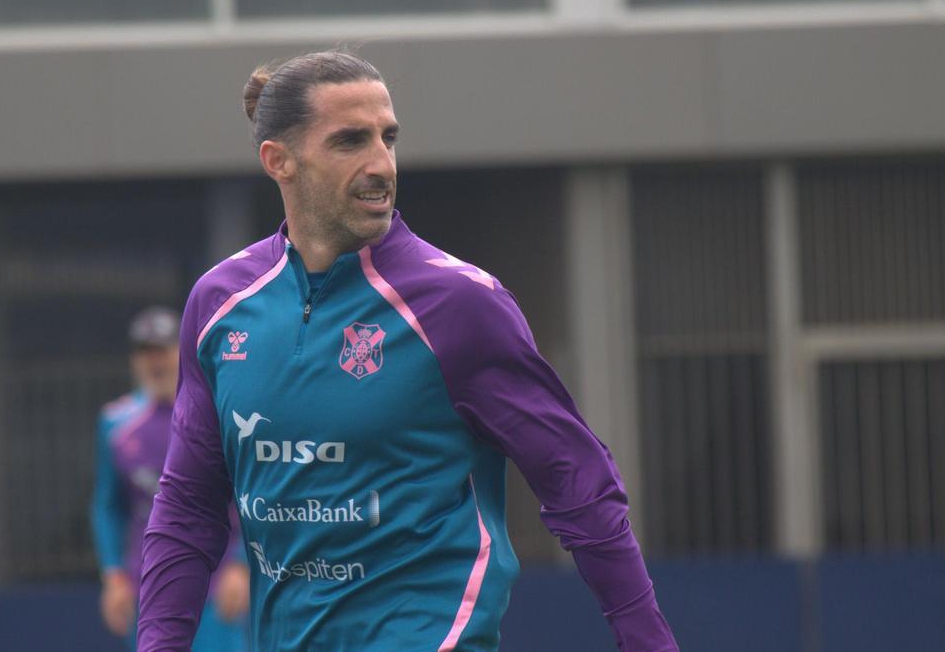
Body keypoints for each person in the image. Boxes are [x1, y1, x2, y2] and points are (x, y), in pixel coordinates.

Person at [139, 51, 679, 651]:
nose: (381, 164)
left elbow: (576, 478)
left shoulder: (460, 305)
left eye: (387, 138)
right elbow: (188, 506)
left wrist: (649, 640)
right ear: (279, 161)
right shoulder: (219, 305)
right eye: (350, 141)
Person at [92, 306, 249, 651]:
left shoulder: (215, 413)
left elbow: (248, 492)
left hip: (215, 584)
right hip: (147, 586)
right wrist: (114, 575)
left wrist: (241, 565)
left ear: (181, 352)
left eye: (162, 350)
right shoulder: (116, 424)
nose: (155, 362)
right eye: (145, 352)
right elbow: (108, 506)